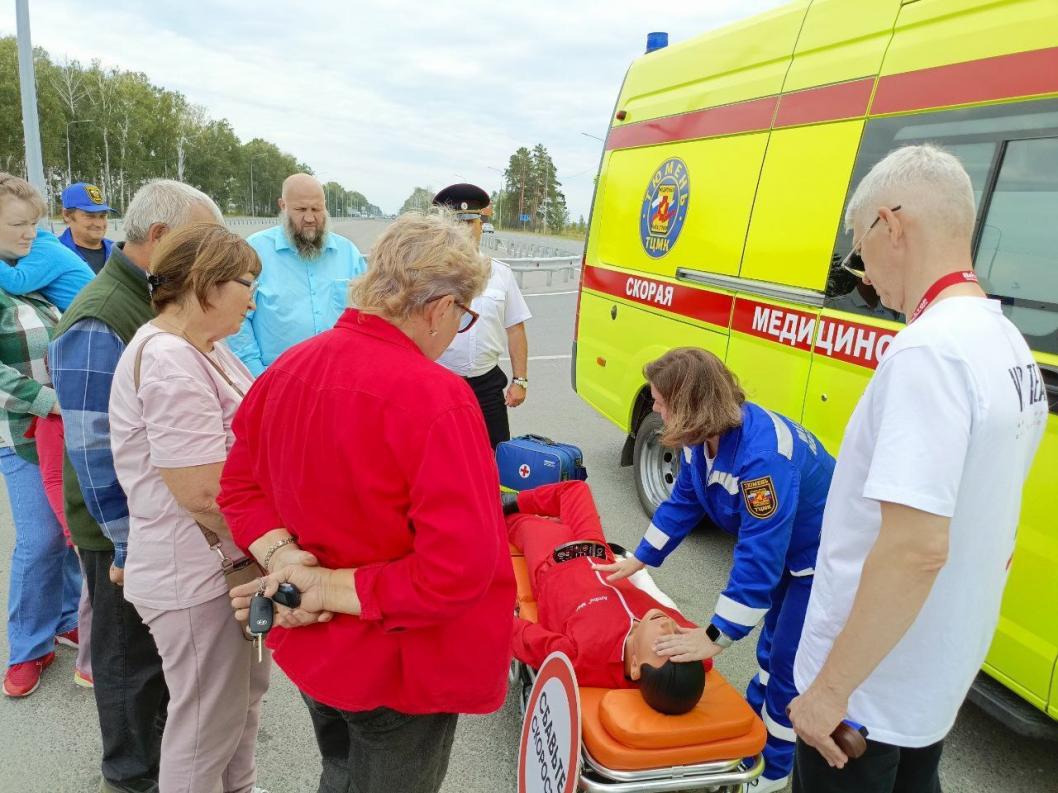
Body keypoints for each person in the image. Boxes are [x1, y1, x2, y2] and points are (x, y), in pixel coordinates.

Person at [220, 211, 515, 793]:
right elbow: (457, 571)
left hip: (312, 649)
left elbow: (239, 487)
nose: (457, 331)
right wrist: (323, 584)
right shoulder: (438, 399)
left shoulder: (288, 367)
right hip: (396, 668)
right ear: (439, 307)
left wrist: (283, 558)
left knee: (341, 769)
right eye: (463, 317)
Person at [788, 145, 1048, 793]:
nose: (865, 277)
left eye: (860, 248)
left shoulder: (929, 352)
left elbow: (914, 549)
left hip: (866, 700)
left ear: (891, 225)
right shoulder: (1007, 344)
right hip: (929, 685)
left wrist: (828, 692)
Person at [50, 179, 225, 793]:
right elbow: (95, 454)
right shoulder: (102, 316)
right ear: (159, 238)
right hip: (121, 532)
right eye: (200, 242)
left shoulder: (147, 303)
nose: (212, 257)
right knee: (131, 672)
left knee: (160, 670)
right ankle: (130, 778)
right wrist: (128, 548)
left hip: (149, 528)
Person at [598, 347, 835, 793]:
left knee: (787, 665)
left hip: (818, 563)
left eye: (662, 403)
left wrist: (713, 638)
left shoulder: (763, 460)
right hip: (789, 554)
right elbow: (685, 501)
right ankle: (751, 734)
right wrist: (640, 559)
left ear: (690, 405)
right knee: (771, 656)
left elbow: (757, 559)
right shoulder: (700, 438)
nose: (657, 410)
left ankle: (773, 773)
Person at [109, 223, 269, 793]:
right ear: (206, 284)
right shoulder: (171, 359)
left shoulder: (202, 347)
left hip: (221, 567)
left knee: (237, 708)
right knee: (204, 727)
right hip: (199, 572)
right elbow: (203, 492)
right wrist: (275, 546)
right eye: (247, 282)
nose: (254, 297)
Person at [506, 480, 707, 714]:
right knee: (575, 489)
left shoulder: (582, 656)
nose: (668, 626)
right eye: (677, 637)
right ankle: (526, 504)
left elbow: (515, 633)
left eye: (663, 644)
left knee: (511, 520)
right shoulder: (682, 642)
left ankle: (508, 507)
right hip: (597, 551)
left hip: (552, 559)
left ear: (634, 668)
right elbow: (708, 651)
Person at [0, 173, 82, 698]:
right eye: (17, 224)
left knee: (67, 524)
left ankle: (67, 614)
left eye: (34, 222)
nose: (31, 233)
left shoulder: (24, 275)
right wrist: (49, 401)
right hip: (20, 432)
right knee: (40, 538)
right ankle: (27, 648)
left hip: (57, 427)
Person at [228, 173, 367, 375]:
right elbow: (236, 319)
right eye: (301, 210)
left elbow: (366, 314)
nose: (310, 218)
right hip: (276, 378)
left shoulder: (348, 253)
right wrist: (256, 372)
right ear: (283, 205)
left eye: (316, 209)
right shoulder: (254, 251)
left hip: (338, 376)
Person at [433, 183, 531, 448]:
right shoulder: (429, 273)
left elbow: (515, 328)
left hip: (487, 386)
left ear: (481, 225)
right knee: (441, 456)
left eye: (471, 222)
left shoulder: (501, 274)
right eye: (458, 223)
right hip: (440, 382)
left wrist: (520, 380)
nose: (465, 230)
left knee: (495, 457)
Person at [57, 182, 115, 274]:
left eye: (102, 216)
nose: (99, 224)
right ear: (67, 215)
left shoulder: (119, 253)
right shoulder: (54, 254)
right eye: (90, 216)